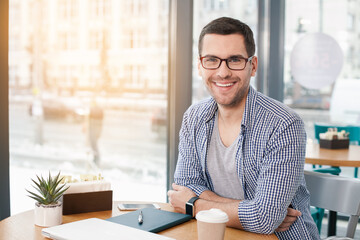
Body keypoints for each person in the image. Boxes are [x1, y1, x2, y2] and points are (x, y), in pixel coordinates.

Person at [167, 17, 320, 239]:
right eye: (212, 60)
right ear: (200, 66)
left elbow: (265, 218)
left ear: (253, 66)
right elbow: (184, 186)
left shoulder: (284, 124)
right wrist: (256, 211)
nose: (223, 72)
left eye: (235, 60)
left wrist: (193, 205)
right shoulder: (194, 118)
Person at [87, 100, 104, 165]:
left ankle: (96, 157)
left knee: (93, 144)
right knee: (94, 144)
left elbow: (89, 119)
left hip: (93, 129)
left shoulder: (92, 110)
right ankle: (96, 157)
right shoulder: (100, 110)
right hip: (97, 129)